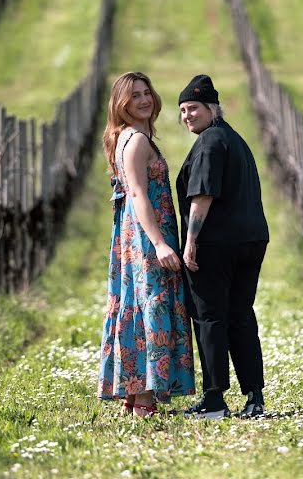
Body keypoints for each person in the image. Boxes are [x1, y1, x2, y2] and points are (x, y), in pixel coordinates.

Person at [98, 71, 196, 417]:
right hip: (146, 236)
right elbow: (139, 193)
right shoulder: (137, 141)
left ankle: (134, 394)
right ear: (120, 104)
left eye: (146, 93)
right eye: (134, 95)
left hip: (133, 235)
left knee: (138, 304)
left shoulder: (126, 137)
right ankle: (143, 400)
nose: (143, 100)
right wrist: (159, 243)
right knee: (151, 304)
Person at [175, 74, 269, 419]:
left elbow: (202, 195)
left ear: (212, 108)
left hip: (216, 244)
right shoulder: (235, 139)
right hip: (252, 239)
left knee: (210, 317)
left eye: (194, 108)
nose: (187, 115)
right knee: (241, 316)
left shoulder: (210, 142)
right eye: (183, 110)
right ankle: (254, 397)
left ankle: (214, 399)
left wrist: (191, 242)